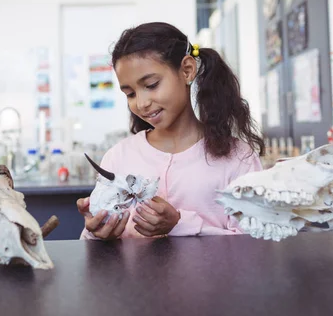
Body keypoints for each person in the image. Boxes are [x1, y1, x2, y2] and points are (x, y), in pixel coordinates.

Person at [77, 22, 264, 240]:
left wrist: (179, 224)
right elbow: (91, 251)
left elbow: (254, 246)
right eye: (130, 94)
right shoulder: (118, 157)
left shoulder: (239, 159)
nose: (142, 103)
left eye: (152, 85)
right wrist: (97, 234)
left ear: (187, 70)